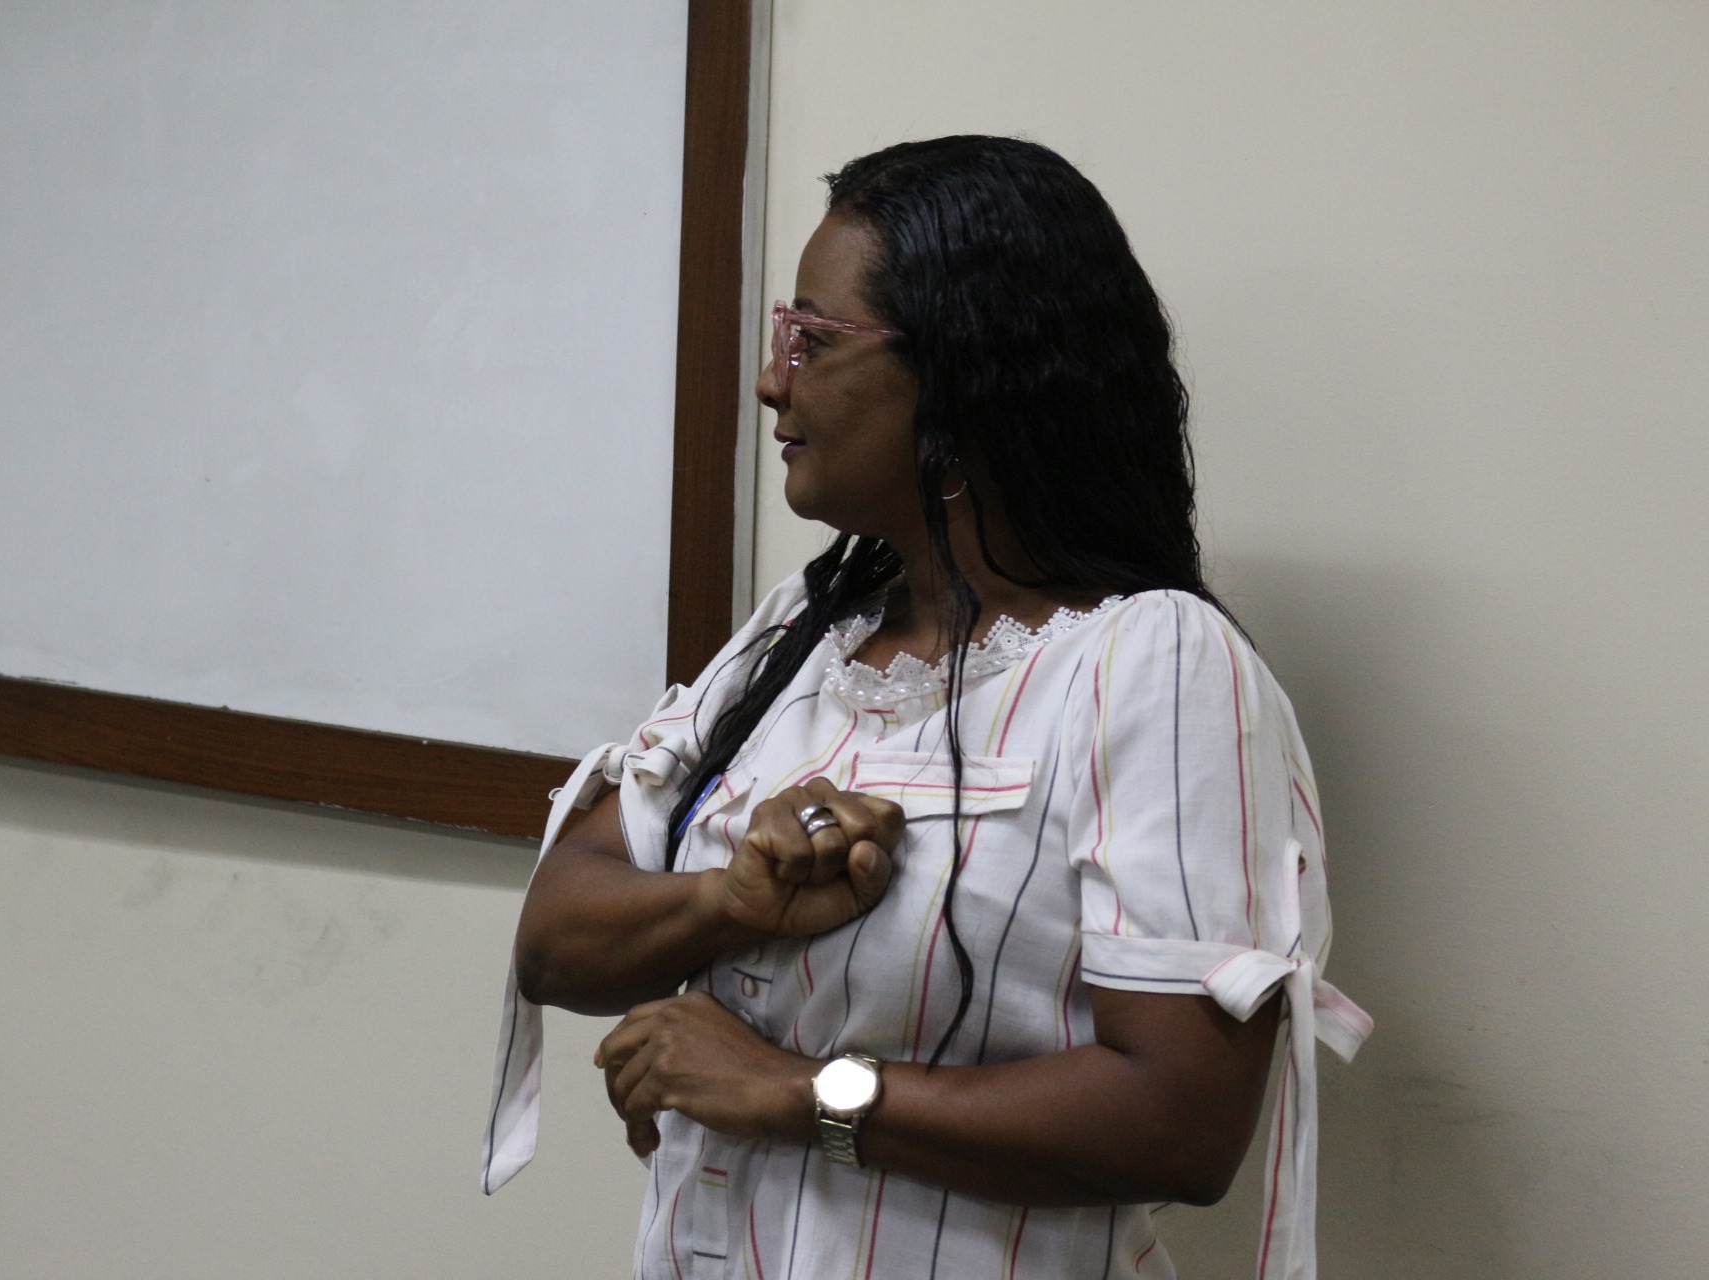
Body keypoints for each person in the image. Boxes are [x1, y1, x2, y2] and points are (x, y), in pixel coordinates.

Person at [484, 135, 1370, 1280]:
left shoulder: (1155, 662)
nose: (773, 381)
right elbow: (556, 938)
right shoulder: (807, 629)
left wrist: (801, 1092)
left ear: (963, 373)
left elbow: (1181, 1120)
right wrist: (728, 901)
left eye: (813, 340)